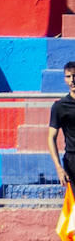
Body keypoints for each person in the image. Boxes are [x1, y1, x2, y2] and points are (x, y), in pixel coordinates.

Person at [47, 62, 75, 196]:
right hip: (72, 160)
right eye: (68, 76)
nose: (72, 80)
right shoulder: (59, 106)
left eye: (74, 76)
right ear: (65, 79)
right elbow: (51, 138)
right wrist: (58, 167)